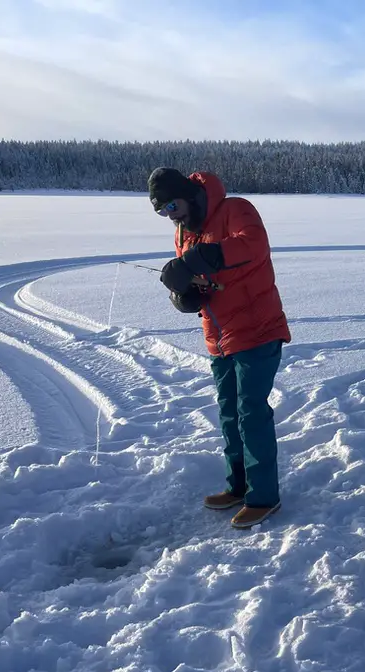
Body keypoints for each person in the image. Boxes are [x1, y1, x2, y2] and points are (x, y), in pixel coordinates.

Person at [148, 167, 291, 529]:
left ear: (187, 195)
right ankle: (239, 486)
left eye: (172, 205)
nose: (171, 215)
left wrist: (198, 260)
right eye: (162, 212)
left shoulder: (235, 209)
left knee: (250, 412)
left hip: (258, 329)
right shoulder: (184, 233)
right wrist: (185, 295)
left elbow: (252, 245)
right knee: (229, 414)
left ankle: (264, 497)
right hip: (219, 335)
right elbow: (203, 284)